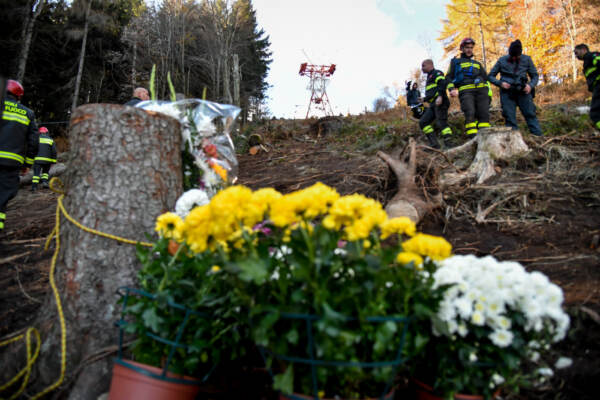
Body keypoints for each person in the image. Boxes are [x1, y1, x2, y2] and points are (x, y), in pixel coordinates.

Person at [0, 79, 38, 233]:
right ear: (19, 96)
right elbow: (34, 142)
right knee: (2, 197)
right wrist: (27, 164)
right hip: (11, 163)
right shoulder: (28, 113)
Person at [488, 39, 542, 136]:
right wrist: (500, 83)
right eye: (512, 56)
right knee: (509, 118)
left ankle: (538, 137)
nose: (514, 58)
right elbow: (490, 76)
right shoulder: (501, 60)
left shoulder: (527, 59)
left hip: (523, 92)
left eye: (516, 56)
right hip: (507, 93)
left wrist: (530, 85)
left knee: (530, 114)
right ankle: (513, 141)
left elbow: (535, 76)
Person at [447, 37, 491, 136]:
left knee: (484, 114)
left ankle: (485, 138)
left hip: (481, 91)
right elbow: (448, 77)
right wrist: (451, 89)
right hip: (466, 92)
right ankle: (473, 139)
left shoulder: (477, 63)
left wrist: (482, 81)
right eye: (467, 47)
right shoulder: (455, 62)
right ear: (462, 49)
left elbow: (486, 78)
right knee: (470, 113)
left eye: (471, 47)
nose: (469, 49)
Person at [419, 59, 452, 148]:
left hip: (441, 102)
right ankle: (435, 145)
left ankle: (449, 144)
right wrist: (424, 99)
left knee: (441, 122)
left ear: (430, 65)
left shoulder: (437, 73)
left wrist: (440, 96)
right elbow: (432, 92)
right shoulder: (429, 78)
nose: (422, 68)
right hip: (433, 104)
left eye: (423, 65)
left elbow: (442, 84)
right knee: (423, 122)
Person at [574, 44, 600, 131]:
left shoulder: (592, 56)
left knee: (595, 114)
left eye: (577, 53)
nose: (576, 56)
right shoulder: (586, 62)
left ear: (584, 49)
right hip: (597, 88)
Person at [31, 126, 57, 191]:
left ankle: (34, 187)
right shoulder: (50, 139)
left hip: (37, 160)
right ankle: (45, 182)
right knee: (45, 173)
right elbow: (54, 151)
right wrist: (53, 161)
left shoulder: (36, 139)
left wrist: (31, 159)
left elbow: (32, 149)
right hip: (47, 160)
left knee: (36, 174)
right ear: (47, 132)